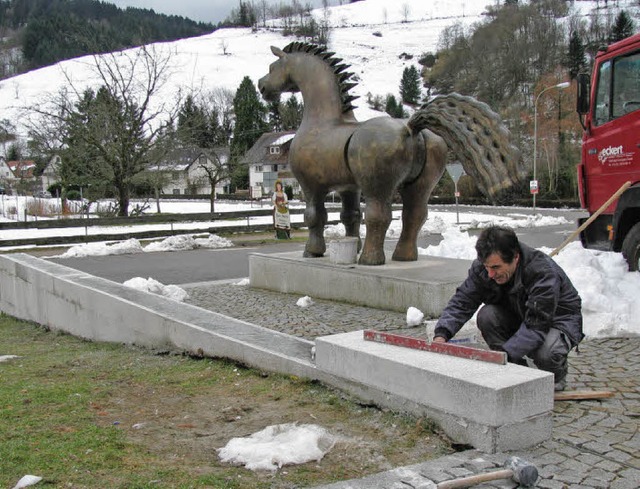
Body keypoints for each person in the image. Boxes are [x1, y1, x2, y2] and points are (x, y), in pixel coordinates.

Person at [433, 225, 583, 391]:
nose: (490, 274)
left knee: (546, 352)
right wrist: (442, 334)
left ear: (515, 257)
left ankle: (556, 375)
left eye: (496, 267)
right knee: (487, 316)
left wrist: (503, 355)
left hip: (556, 320)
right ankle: (515, 369)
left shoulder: (541, 272)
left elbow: (536, 324)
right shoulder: (485, 267)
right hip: (519, 314)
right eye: (486, 267)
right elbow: (463, 300)